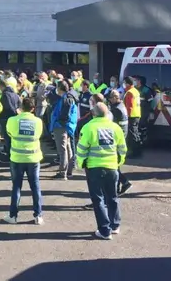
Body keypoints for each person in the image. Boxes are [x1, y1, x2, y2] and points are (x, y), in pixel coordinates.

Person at [76, 102, 127, 240]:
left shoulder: (88, 127)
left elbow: (81, 148)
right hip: (112, 167)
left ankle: (104, 230)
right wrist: (118, 162)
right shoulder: (115, 128)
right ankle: (115, 225)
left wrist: (80, 163)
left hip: (94, 168)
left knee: (98, 199)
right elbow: (122, 148)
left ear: (93, 113)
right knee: (113, 197)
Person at [2, 98, 44, 224]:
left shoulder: (12, 120)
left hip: (17, 157)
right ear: (33, 108)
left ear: (21, 107)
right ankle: (38, 215)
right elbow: (39, 134)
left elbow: (9, 133)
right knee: (35, 186)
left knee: (16, 187)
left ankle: (13, 216)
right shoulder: (38, 121)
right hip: (33, 158)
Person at [50, 80, 78, 180]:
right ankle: (68, 171)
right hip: (67, 126)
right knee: (67, 148)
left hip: (62, 127)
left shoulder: (66, 99)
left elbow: (64, 115)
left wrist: (58, 122)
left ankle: (63, 172)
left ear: (59, 88)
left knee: (62, 149)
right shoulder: (68, 97)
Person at [108, 90, 132, 195]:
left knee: (114, 166)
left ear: (114, 98)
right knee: (115, 165)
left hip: (117, 140)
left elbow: (111, 125)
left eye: (110, 98)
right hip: (122, 137)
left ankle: (123, 184)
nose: (109, 100)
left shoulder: (116, 109)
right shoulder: (122, 106)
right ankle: (119, 186)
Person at [122, 77, 142, 158]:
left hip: (131, 116)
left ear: (127, 83)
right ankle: (138, 150)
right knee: (136, 133)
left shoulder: (129, 92)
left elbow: (129, 106)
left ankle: (135, 152)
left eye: (124, 83)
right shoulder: (135, 91)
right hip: (137, 114)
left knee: (132, 135)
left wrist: (126, 116)